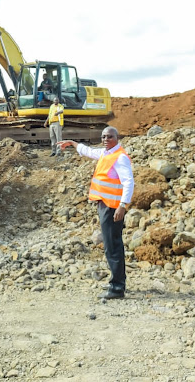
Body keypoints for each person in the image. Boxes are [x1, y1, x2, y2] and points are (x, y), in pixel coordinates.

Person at [58, 126, 134, 299]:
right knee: (112, 245)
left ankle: (117, 288)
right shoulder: (106, 154)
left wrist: (123, 205)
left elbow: (129, 182)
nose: (106, 139)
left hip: (113, 208)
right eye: (103, 136)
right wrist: (72, 143)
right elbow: (89, 151)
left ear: (117, 137)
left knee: (112, 247)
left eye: (109, 136)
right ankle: (118, 283)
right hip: (105, 205)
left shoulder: (119, 157)